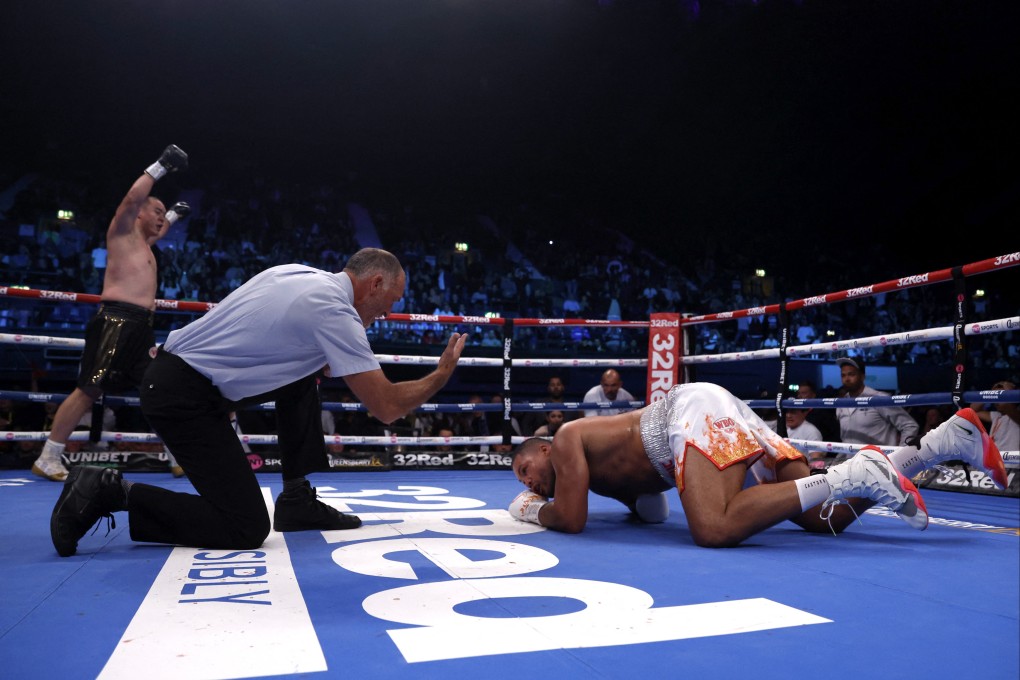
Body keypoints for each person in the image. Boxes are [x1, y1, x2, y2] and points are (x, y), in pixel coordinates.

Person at [50, 248, 468, 557]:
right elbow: (387, 407)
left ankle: (297, 499)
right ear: (374, 283)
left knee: (305, 376)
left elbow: (259, 334)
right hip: (183, 398)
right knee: (246, 528)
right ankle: (111, 491)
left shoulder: (297, 273)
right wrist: (441, 374)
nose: (389, 313)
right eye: (392, 300)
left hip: (182, 378)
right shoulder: (334, 311)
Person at [508, 382, 1007, 547]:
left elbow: (570, 521)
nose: (530, 481)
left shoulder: (569, 435)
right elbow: (654, 508)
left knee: (714, 526)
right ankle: (941, 444)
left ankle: (855, 471)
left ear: (544, 448)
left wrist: (528, 507)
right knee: (821, 519)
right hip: (709, 413)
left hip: (688, 415)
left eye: (526, 470)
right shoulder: (597, 471)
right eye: (525, 483)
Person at [31, 145, 190, 482]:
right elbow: (134, 199)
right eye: (157, 210)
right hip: (116, 321)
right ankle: (48, 456)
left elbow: (160, 229)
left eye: (165, 213)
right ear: (139, 214)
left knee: (157, 389)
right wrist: (161, 166)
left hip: (142, 328)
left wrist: (173, 213)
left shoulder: (146, 245)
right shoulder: (122, 232)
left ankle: (177, 456)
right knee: (89, 389)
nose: (163, 218)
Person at [834, 357, 918, 446]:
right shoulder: (841, 404)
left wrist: (901, 453)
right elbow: (846, 439)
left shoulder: (879, 398)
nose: (847, 379)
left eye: (851, 374)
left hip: (878, 458)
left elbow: (910, 425)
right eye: (843, 375)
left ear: (862, 376)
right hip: (851, 459)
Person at [971, 379, 1019, 452]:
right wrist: (990, 394)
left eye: (1001, 396)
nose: (997, 401)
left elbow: (1007, 405)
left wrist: (1008, 389)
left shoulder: (1016, 415)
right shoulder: (996, 416)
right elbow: (973, 410)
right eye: (995, 397)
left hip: (1011, 462)